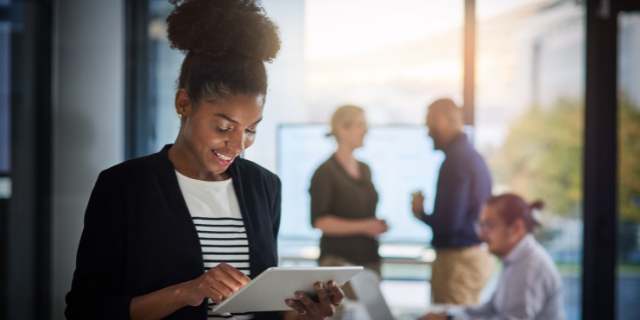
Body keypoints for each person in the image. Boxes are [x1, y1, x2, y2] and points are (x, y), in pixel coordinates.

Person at [65, 1, 344, 320]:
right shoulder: (125, 186)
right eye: (224, 127)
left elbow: (263, 310)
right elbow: (87, 309)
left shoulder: (264, 186)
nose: (239, 145)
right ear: (183, 103)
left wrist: (308, 313)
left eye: (251, 129)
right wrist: (187, 292)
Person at [419, 194, 565, 320]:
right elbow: (490, 309)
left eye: (488, 226)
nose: (480, 234)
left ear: (516, 228)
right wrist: (449, 316)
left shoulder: (530, 266)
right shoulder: (515, 260)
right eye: (480, 225)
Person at [411, 98, 494, 305]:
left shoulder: (455, 161)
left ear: (441, 121)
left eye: (429, 126)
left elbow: (450, 223)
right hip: (472, 257)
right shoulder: (473, 157)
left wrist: (420, 212)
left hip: (457, 262)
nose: (427, 133)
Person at [309, 105, 388, 298]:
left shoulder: (365, 168)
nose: (365, 130)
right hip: (339, 264)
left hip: (369, 261)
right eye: (360, 125)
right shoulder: (325, 172)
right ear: (341, 130)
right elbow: (320, 222)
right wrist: (365, 226)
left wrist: (375, 225)